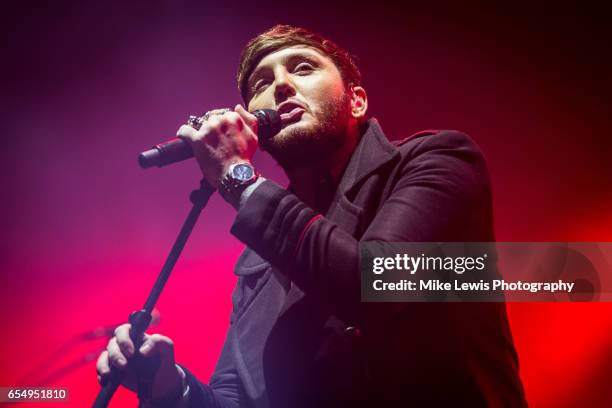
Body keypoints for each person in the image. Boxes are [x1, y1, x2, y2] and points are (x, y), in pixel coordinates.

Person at [96, 25, 528, 407]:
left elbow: (374, 285)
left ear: (356, 101)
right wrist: (171, 388)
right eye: (262, 82)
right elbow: (238, 397)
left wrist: (237, 178)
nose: (281, 85)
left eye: (302, 68)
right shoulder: (258, 262)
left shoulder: (436, 161)